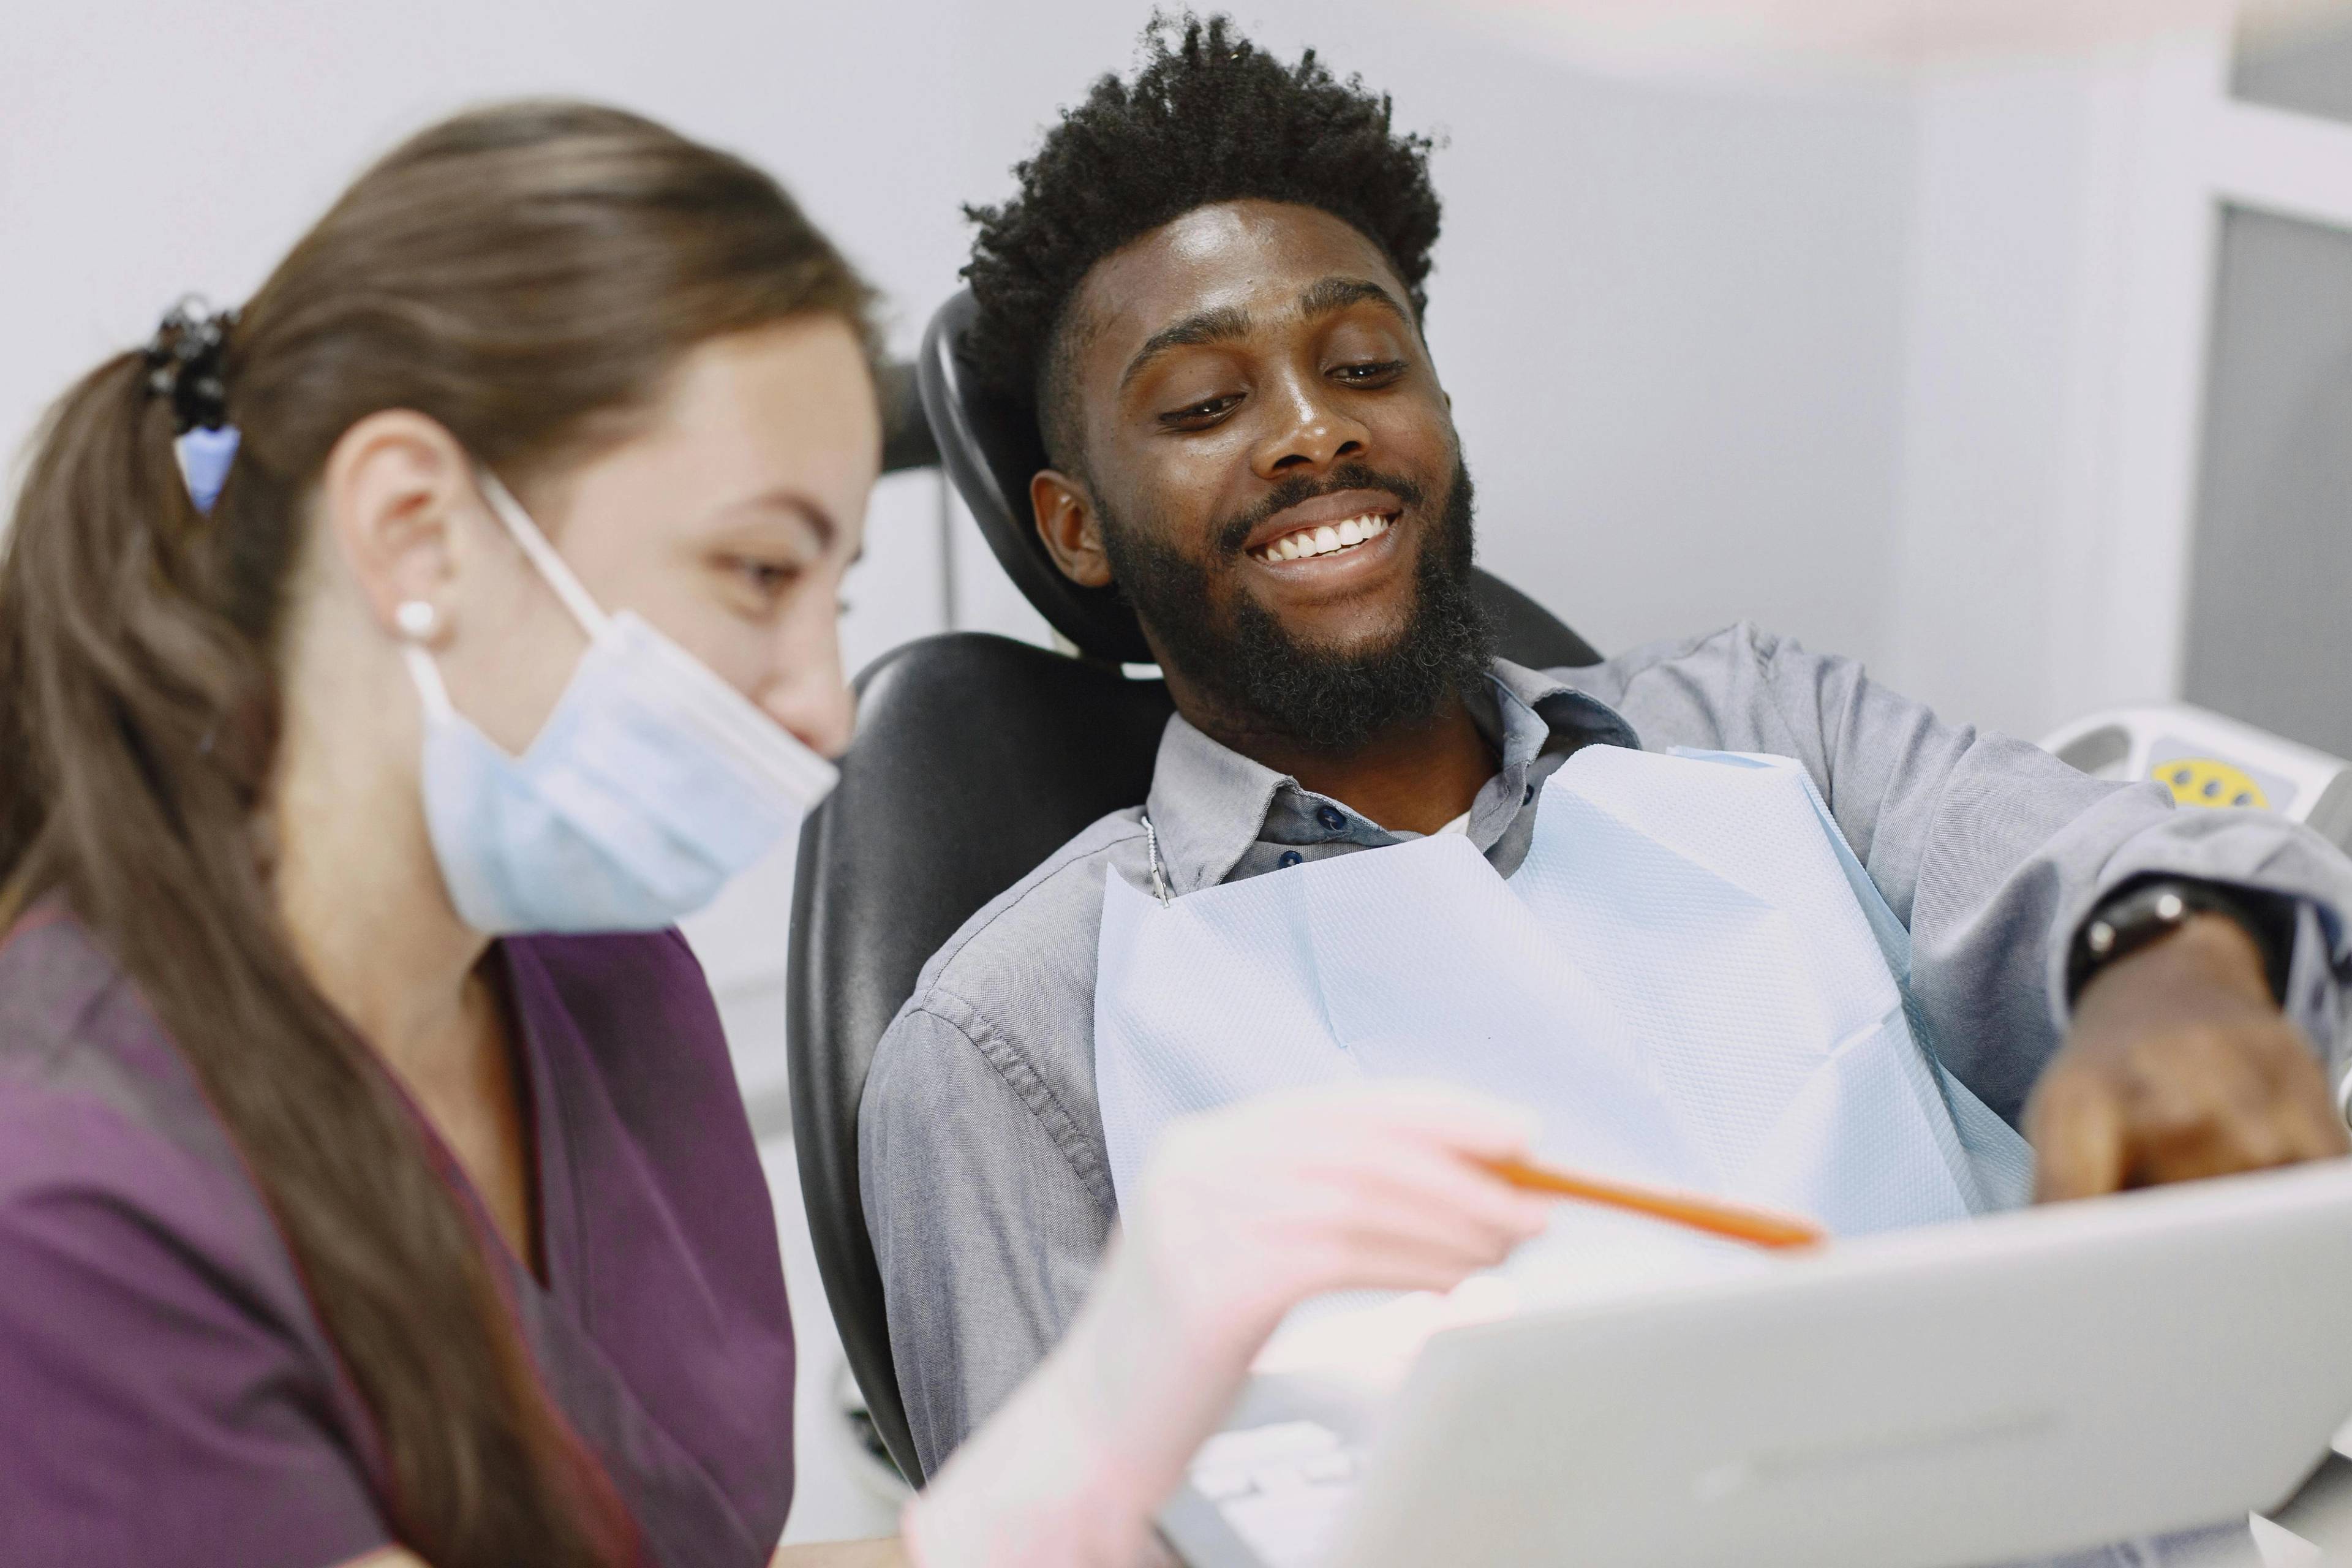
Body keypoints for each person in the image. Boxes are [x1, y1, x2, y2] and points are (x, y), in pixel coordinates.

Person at [0, 101, 1561, 1568]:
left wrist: (1100, 1456)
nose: (823, 710)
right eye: (758, 573)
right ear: (415, 527)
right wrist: (1060, 1459)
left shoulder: (604, 989)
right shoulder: (67, 1197)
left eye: (838, 593)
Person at [859, 10, 2352, 1480]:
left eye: (1368, 365)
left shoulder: (1766, 727)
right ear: (1073, 526)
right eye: (1204, 401)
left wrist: (2170, 966)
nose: (1314, 431)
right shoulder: (1012, 1040)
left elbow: (2137, 865)